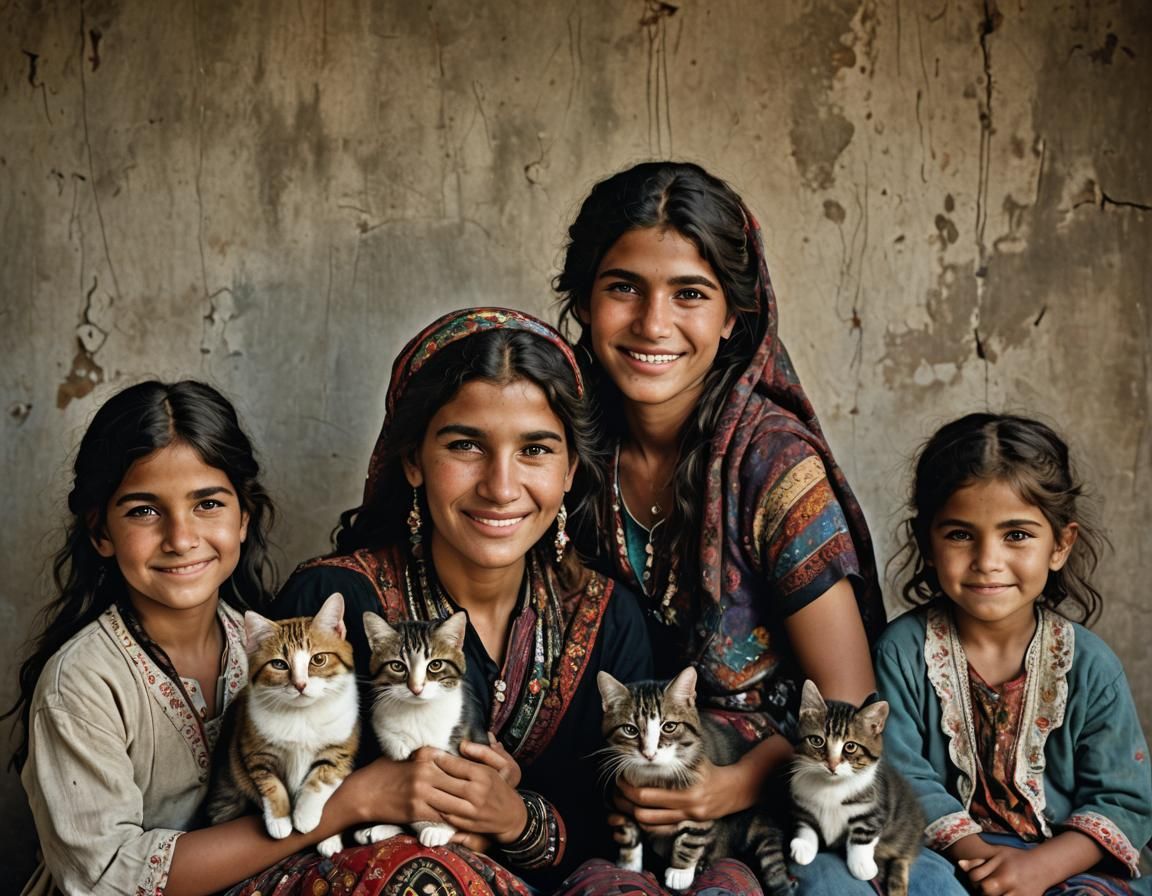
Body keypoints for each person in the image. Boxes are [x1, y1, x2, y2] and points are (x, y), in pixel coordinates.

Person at [553, 161, 963, 895]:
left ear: (734, 315)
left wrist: (729, 786)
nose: (653, 323)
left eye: (690, 294)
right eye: (623, 287)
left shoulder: (770, 463)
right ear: (584, 299)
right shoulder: (554, 442)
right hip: (605, 789)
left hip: (776, 799)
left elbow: (846, 695)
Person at [254, 307, 743, 895]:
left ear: (570, 472)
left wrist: (514, 821)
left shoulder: (609, 617)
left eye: (535, 450)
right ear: (413, 461)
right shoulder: (330, 608)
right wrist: (392, 808)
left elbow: (620, 824)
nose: (501, 487)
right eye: (466, 446)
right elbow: (262, 803)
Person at [8, 380, 412, 896]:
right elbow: (109, 879)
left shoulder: (272, 649)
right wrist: (347, 804)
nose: (181, 538)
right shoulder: (82, 685)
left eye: (208, 505)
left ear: (244, 517)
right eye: (143, 511)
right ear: (100, 532)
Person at [876, 413, 1152, 896]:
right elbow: (899, 776)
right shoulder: (901, 653)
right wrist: (988, 865)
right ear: (927, 544)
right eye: (960, 534)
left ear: (1060, 545)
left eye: (1017, 535)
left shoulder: (1090, 665)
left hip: (1063, 865)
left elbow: (1124, 799)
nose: (987, 561)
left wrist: (1038, 869)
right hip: (948, 858)